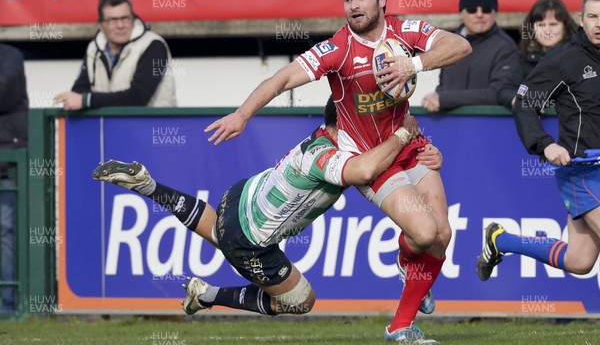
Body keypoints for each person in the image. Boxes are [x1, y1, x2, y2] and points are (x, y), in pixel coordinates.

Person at [204, 0, 471, 342]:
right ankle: (404, 289)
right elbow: (281, 78)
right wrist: (243, 114)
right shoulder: (338, 49)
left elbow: (460, 46)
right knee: (425, 232)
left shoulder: (404, 32)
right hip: (372, 157)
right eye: (347, 0)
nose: (354, 6)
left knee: (441, 235)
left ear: (381, 0)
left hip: (409, 142)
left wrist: (415, 63)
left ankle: (401, 319)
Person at [93, 98, 443, 319]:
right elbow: (368, 170)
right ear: (348, 126)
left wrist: (428, 154)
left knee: (219, 231)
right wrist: (402, 134)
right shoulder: (329, 156)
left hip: (239, 198)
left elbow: (385, 163)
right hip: (250, 238)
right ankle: (209, 294)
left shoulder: (324, 138)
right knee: (301, 301)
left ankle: (148, 186)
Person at [477, 0, 600, 282]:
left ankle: (500, 241)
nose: (599, 24)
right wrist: (544, 144)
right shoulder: (564, 60)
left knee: (580, 260)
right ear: (581, 20)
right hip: (582, 171)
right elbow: (525, 103)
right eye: (593, 16)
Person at [54, 0, 176, 110]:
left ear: (133, 19)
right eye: (112, 20)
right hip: (113, 127)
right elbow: (79, 91)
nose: (120, 25)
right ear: (101, 25)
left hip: (154, 128)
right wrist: (79, 99)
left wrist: (87, 100)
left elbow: (138, 98)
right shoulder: (94, 48)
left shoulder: (154, 45)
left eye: (125, 18)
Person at [421, 0, 519, 112]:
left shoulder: (506, 47)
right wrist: (435, 98)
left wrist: (444, 99)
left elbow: (498, 93)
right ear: (461, 13)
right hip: (450, 126)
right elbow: (443, 86)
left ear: (495, 13)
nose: (479, 15)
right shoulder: (449, 43)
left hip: (487, 127)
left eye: (486, 9)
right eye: (472, 9)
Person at [497, 0, 577, 108]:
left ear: (565, 27)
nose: (547, 30)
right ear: (532, 28)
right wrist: (521, 101)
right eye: (540, 24)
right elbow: (505, 91)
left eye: (553, 24)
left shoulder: (580, 55)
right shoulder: (528, 57)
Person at [0, 43, 28, 311]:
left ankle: (8, 306)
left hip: (8, 164)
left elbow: (4, 92)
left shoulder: (10, 55)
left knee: (5, 233)